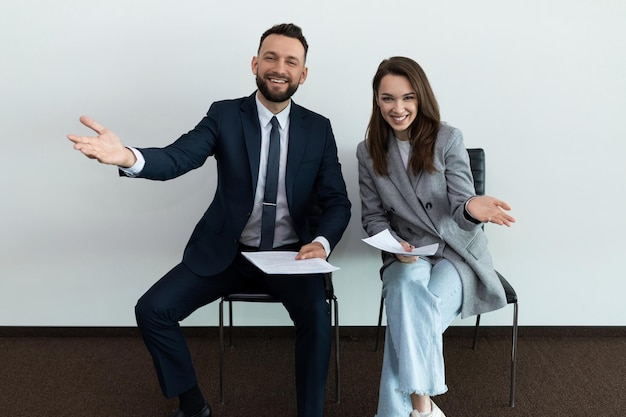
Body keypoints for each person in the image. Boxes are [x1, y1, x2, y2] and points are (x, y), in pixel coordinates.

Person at [68, 23, 351, 417]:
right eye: (270, 57)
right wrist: (129, 157)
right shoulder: (225, 115)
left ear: (303, 74)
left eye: (291, 61)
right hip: (227, 253)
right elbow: (179, 156)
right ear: (255, 63)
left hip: (292, 257)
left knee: (318, 323)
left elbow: (338, 201)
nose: (279, 67)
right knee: (152, 310)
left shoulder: (318, 129)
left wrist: (321, 243)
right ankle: (192, 404)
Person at [356, 56, 515, 417]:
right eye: (388, 98)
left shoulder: (448, 139)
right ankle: (424, 409)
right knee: (404, 291)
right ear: (377, 101)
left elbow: (461, 207)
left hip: (455, 254)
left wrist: (473, 208)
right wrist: (394, 245)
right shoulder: (368, 152)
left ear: (421, 98)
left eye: (408, 98)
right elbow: (373, 216)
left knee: (411, 315)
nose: (398, 108)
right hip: (407, 252)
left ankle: (414, 408)